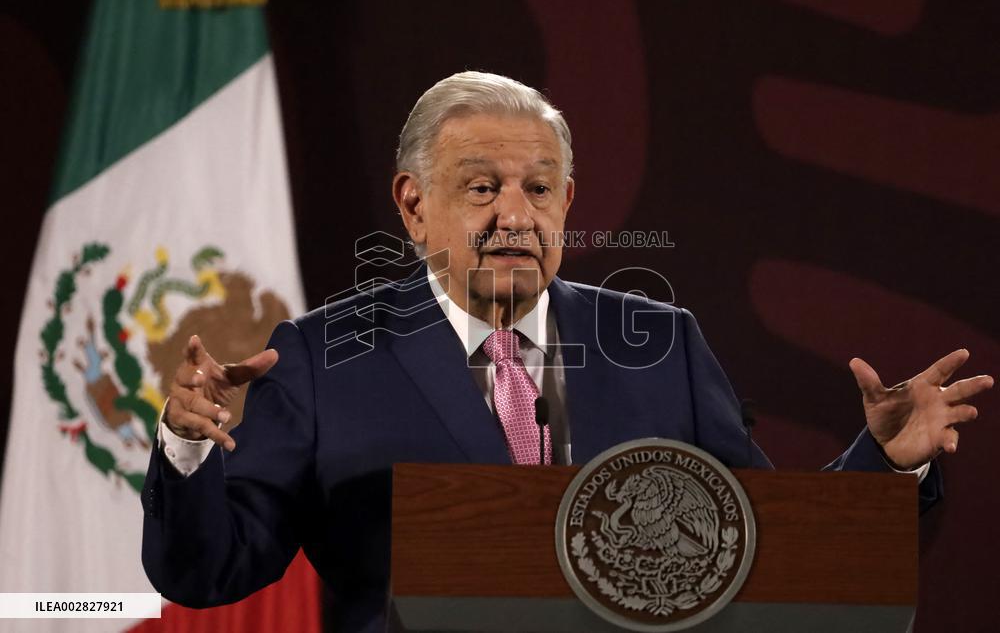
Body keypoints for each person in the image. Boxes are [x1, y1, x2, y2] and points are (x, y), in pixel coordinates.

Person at [141, 72, 991, 632]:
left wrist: (883, 461)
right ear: (413, 204)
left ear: (568, 202)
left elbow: (758, 555)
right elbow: (208, 570)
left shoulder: (662, 343)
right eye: (483, 187)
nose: (516, 214)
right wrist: (186, 446)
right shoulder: (326, 356)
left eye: (539, 189)